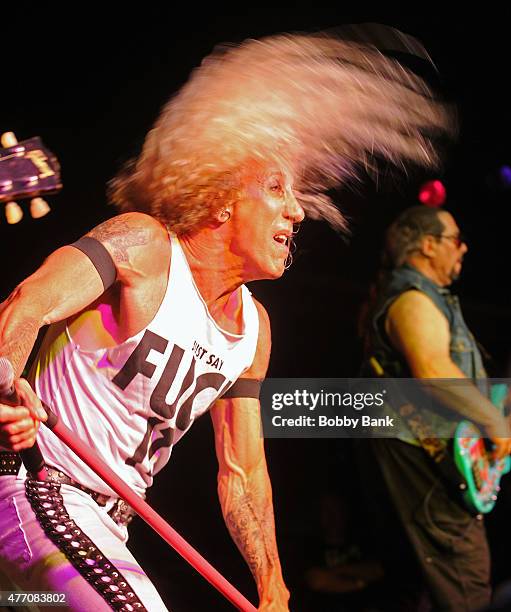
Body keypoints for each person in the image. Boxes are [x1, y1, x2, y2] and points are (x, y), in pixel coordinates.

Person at [0, 30, 453, 611]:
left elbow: (241, 473)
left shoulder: (252, 331)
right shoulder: (145, 247)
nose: (296, 210)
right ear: (219, 200)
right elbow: (25, 303)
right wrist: (9, 386)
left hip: (106, 525)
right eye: (274, 188)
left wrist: (273, 589)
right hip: (38, 487)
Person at [360, 205, 511, 611]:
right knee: (466, 587)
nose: (464, 248)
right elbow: (432, 369)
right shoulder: (411, 297)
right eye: (456, 239)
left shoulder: (428, 298)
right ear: (428, 245)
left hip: (438, 468)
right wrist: (495, 421)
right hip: (429, 468)